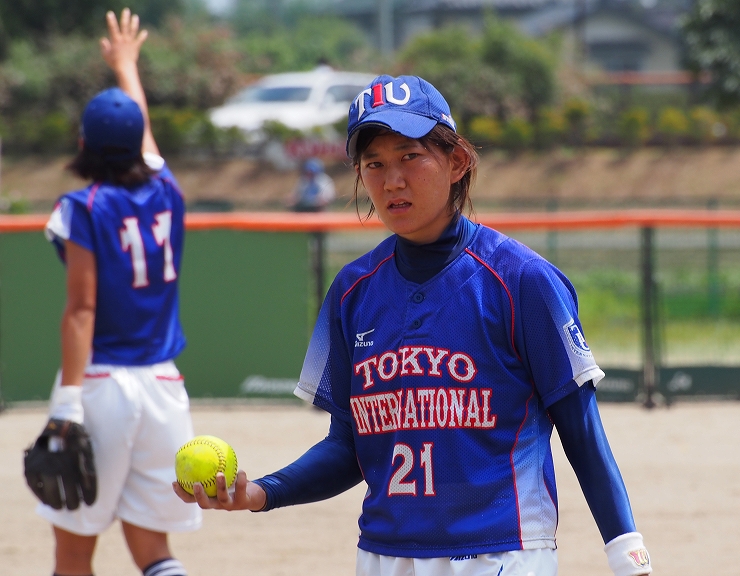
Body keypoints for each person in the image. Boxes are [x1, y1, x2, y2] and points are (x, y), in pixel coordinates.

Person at [174, 74, 653, 576]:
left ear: (457, 162)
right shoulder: (353, 290)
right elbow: (348, 447)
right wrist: (260, 493)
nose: (391, 181)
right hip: (382, 556)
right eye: (374, 164)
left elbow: (582, 431)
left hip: (500, 552)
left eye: (410, 157)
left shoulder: (522, 280)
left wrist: (628, 554)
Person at [28, 9, 199, 576]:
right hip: (162, 387)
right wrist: (127, 65)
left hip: (101, 386)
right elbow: (143, 134)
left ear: (83, 142)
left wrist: (66, 403)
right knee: (155, 554)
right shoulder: (168, 190)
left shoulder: (84, 207)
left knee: (74, 554)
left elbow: (82, 309)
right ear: (136, 145)